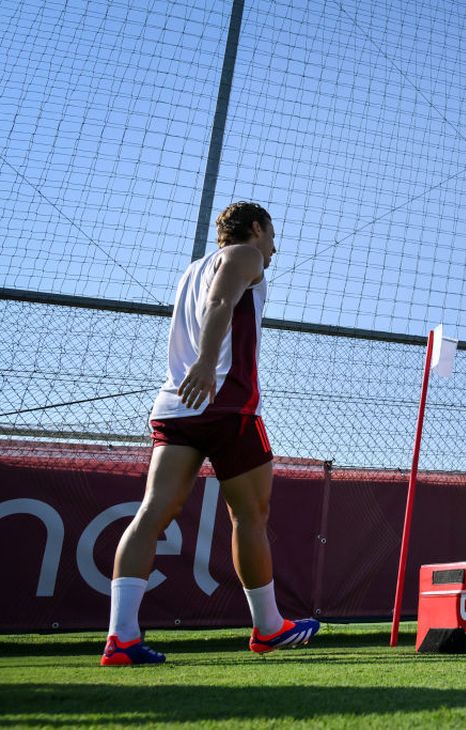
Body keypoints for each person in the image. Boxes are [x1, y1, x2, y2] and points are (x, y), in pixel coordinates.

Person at [101, 202, 319, 666]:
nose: (275, 248)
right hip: (225, 402)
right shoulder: (245, 255)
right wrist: (205, 363)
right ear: (255, 228)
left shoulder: (192, 270)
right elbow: (221, 302)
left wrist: (199, 368)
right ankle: (268, 628)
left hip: (175, 405)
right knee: (250, 515)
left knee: (153, 512)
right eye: (273, 235)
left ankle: (121, 638)